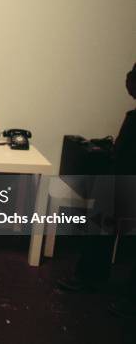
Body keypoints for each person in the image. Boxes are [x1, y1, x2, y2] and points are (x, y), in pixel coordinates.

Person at [58, 63, 136, 319]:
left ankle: (123, 294)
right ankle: (90, 276)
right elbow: (132, 82)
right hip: (127, 151)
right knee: (105, 216)